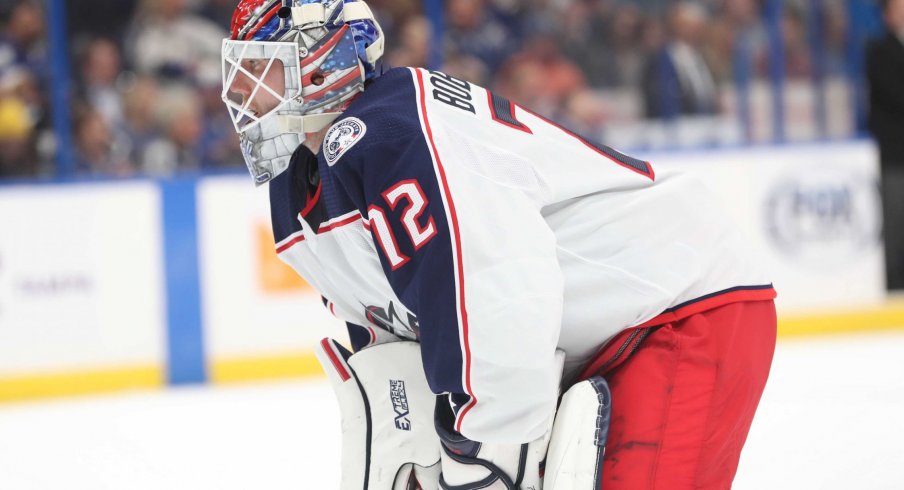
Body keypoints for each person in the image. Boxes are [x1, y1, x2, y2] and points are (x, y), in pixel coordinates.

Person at [221, 1, 777, 488]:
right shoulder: (305, 184)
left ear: (324, 60)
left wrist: (480, 457)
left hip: (679, 305)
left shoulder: (391, 131)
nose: (240, 89)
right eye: (239, 69)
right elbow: (402, 345)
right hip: (597, 330)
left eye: (260, 66)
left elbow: (494, 291)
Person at [867, 0, 904, 291]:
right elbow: (894, 95)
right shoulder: (878, 51)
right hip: (895, 155)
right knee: (896, 224)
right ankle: (895, 286)